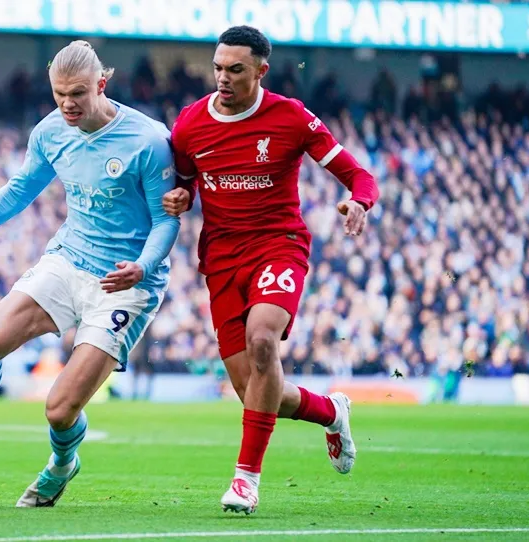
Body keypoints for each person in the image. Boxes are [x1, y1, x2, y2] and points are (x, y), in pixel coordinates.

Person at [0, 40, 180, 508]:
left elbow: (166, 219)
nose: (68, 104)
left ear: (102, 83)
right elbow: (18, 191)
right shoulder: (51, 131)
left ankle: (61, 465)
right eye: (59, 94)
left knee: (58, 411)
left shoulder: (148, 140)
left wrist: (143, 267)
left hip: (125, 284)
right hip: (68, 258)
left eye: (77, 93)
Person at [163, 26, 380, 515]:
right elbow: (183, 183)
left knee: (264, 342)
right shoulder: (190, 125)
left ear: (262, 70)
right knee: (255, 392)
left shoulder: (291, 117)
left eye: (235, 69)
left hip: (278, 247)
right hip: (220, 260)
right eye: (218, 67)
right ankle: (330, 411)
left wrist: (359, 202)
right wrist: (182, 196)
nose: (223, 77)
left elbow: (358, 174)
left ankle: (245, 481)